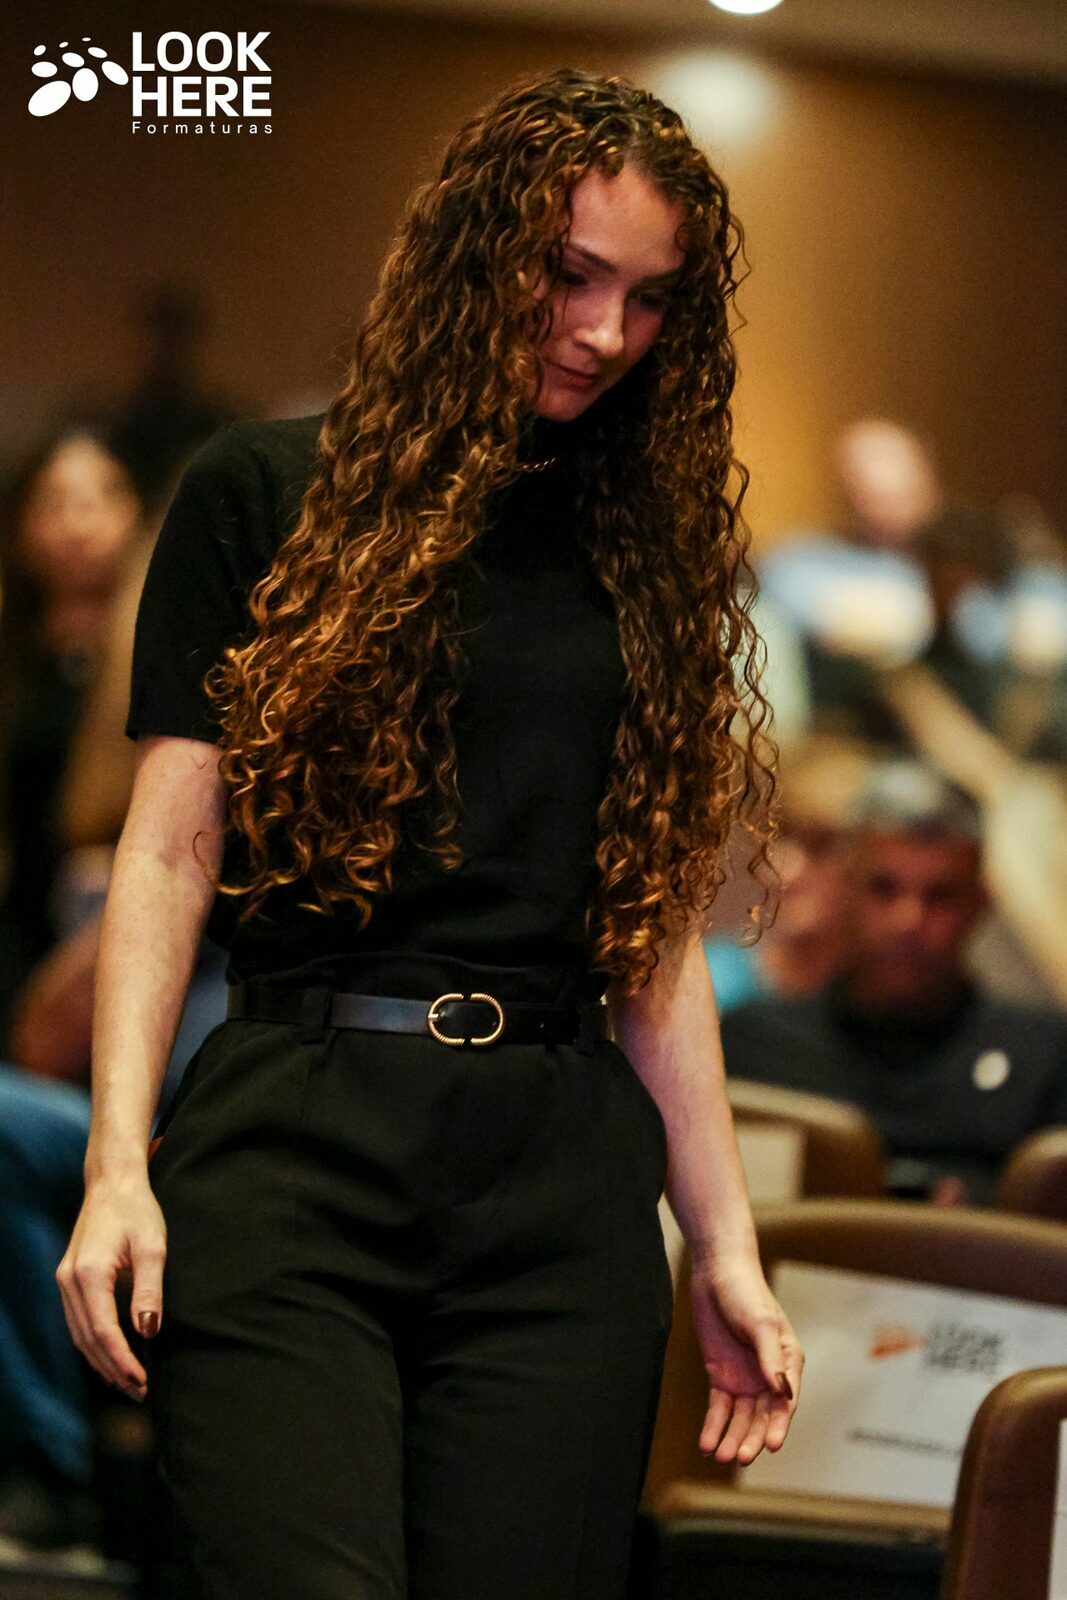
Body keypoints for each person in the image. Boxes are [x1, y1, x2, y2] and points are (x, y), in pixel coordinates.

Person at [56, 69, 803, 1600]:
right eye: (568, 276)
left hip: (556, 1178)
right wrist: (115, 1164)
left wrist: (722, 1238)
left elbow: (649, 931)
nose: (603, 333)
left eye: (647, 300)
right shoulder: (261, 489)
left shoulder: (645, 553)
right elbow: (168, 852)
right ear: (476, 254)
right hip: (295, 1134)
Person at [721, 761, 1067, 1204]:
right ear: (845, 889)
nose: (909, 920)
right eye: (883, 888)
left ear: (979, 905)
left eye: (940, 896)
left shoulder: (1046, 1063)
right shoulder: (754, 1045)